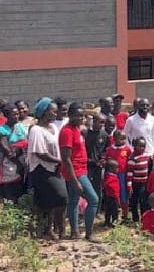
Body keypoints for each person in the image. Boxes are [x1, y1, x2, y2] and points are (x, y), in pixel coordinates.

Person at [27, 98, 68, 240]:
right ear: (44, 112)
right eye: (53, 111)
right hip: (42, 170)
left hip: (55, 168)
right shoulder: (36, 130)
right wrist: (59, 161)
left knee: (53, 201)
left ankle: (57, 230)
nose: (56, 114)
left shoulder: (54, 128)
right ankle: (50, 229)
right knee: (60, 196)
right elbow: (40, 153)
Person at [60, 102, 100, 242]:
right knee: (93, 200)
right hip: (76, 172)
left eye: (82, 116)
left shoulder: (76, 129)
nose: (81, 119)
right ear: (70, 115)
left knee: (73, 201)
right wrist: (75, 181)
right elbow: (66, 158)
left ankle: (74, 232)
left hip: (81, 169)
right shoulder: (67, 132)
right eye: (78, 116)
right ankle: (89, 233)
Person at [0, 101, 27, 201]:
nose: (17, 116)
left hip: (22, 162)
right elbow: (8, 151)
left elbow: (25, 142)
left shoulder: (19, 127)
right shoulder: (2, 130)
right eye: (14, 115)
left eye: (17, 114)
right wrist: (18, 163)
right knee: (11, 191)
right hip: (10, 165)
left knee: (21, 191)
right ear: (7, 116)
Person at [105, 130, 132, 219]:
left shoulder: (127, 149)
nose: (123, 141)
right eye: (121, 138)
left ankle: (125, 214)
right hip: (112, 177)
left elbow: (130, 162)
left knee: (124, 194)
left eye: (124, 138)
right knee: (114, 195)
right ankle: (115, 215)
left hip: (123, 175)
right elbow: (106, 160)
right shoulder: (110, 150)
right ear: (114, 139)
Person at [85, 113, 110, 204]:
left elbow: (106, 149)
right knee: (86, 188)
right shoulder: (86, 133)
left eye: (104, 122)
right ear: (94, 121)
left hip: (98, 167)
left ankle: (97, 209)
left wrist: (103, 159)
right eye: (101, 122)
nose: (103, 125)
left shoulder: (104, 134)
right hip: (87, 166)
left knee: (98, 188)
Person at [127, 137, 153, 222]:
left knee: (143, 201)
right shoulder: (132, 158)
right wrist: (129, 186)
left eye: (143, 146)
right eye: (140, 146)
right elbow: (130, 173)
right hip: (135, 183)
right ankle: (135, 218)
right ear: (134, 146)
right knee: (134, 201)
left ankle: (144, 218)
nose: (142, 148)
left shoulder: (146, 156)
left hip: (144, 183)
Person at [102, 159, 121, 227]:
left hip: (107, 196)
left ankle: (107, 222)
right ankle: (114, 222)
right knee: (114, 211)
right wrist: (117, 198)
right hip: (113, 197)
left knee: (108, 210)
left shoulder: (107, 176)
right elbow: (114, 189)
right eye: (116, 168)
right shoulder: (112, 178)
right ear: (111, 168)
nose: (118, 169)